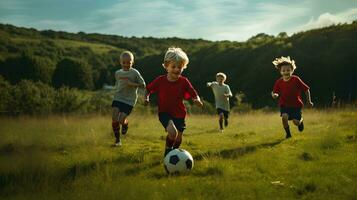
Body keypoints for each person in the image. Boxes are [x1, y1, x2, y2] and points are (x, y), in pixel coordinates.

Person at [145, 47, 203, 156]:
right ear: (166, 66)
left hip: (180, 114)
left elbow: (193, 93)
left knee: (178, 137)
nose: (177, 69)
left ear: (183, 67)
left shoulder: (184, 81)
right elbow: (148, 89)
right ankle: (167, 152)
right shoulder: (160, 80)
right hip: (164, 112)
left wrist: (197, 100)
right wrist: (146, 98)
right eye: (173, 66)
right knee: (173, 132)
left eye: (179, 67)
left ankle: (174, 153)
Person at [271, 56, 313, 138]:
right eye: (283, 70)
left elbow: (306, 89)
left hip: (296, 105)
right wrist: (274, 95)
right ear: (280, 71)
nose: (286, 72)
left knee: (295, 122)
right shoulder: (278, 82)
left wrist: (309, 101)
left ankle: (301, 122)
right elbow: (274, 92)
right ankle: (288, 134)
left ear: (292, 70)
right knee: (284, 117)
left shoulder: (296, 79)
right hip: (284, 105)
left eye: (288, 70)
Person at [112, 51, 146, 146]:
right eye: (124, 62)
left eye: (129, 63)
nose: (126, 65)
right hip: (118, 97)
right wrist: (115, 92)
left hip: (129, 100)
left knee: (121, 120)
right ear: (120, 62)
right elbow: (117, 84)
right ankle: (117, 141)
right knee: (114, 118)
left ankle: (125, 124)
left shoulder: (134, 73)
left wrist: (132, 84)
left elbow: (143, 85)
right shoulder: (117, 73)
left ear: (132, 62)